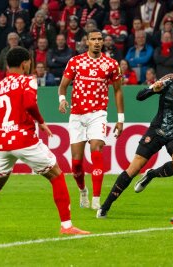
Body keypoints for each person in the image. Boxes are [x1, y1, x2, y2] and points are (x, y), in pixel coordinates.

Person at [0, 47, 89, 235]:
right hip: (24, 138)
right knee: (56, 175)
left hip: (3, 142)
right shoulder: (27, 80)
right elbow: (30, 104)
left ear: (7, 65)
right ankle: (66, 226)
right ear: (25, 63)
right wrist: (41, 122)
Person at [97, 50, 173, 219]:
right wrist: (152, 89)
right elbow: (139, 96)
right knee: (134, 168)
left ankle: (151, 174)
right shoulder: (168, 80)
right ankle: (105, 206)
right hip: (157, 130)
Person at [58, 29, 124, 210]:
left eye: (99, 39)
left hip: (98, 114)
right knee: (77, 164)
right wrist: (62, 100)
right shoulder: (75, 62)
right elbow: (63, 86)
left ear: (103, 42)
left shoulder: (111, 64)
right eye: (93, 39)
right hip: (77, 115)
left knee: (96, 148)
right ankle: (83, 190)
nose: (97, 42)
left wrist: (120, 119)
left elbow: (118, 90)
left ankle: (96, 199)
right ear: (87, 42)